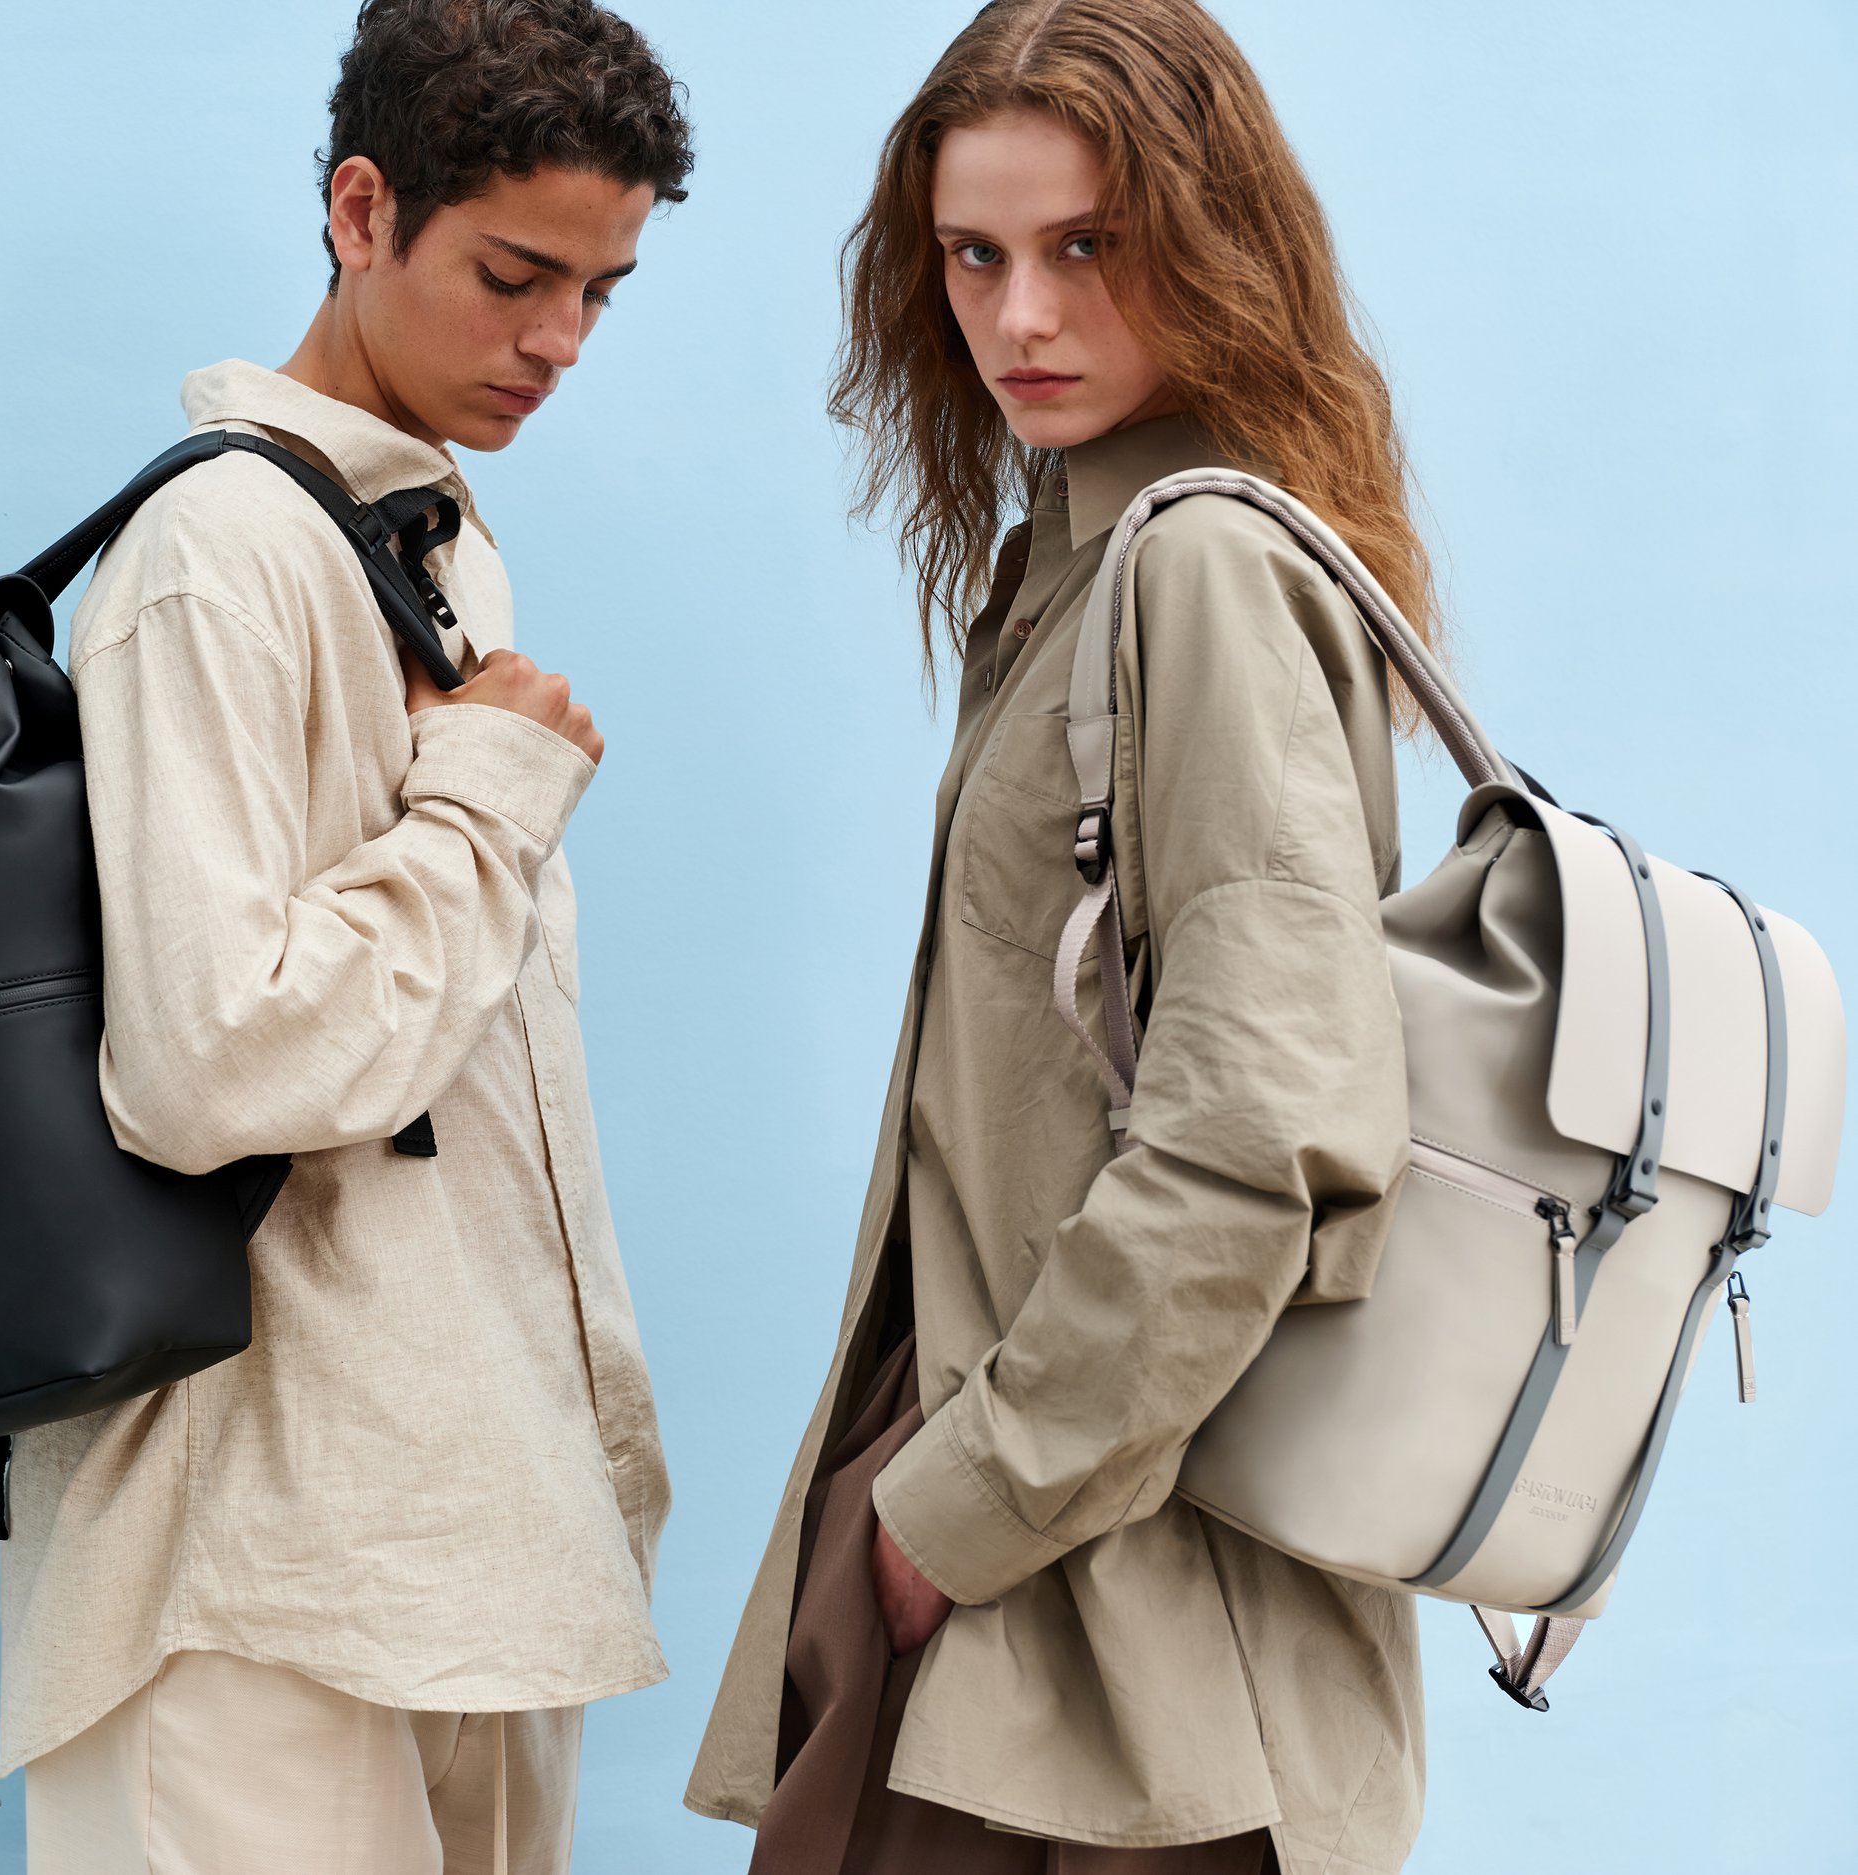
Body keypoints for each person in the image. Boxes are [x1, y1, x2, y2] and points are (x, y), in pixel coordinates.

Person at [689, 3, 1432, 1871]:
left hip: (1126, 1642)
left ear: (1213, 240)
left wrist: (958, 1509)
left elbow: (1256, 1136)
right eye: (975, 255)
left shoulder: (1201, 572)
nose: (1022, 317)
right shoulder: (1075, 570)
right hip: (1047, 1599)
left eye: (1088, 246)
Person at [0, 5, 692, 1870]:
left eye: (603, 291)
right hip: (244, 1568)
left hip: (457, 1534)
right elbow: (210, 1062)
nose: (557, 339)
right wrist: (480, 800)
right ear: (362, 210)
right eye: (515, 273)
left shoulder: (436, 551)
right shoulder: (218, 555)